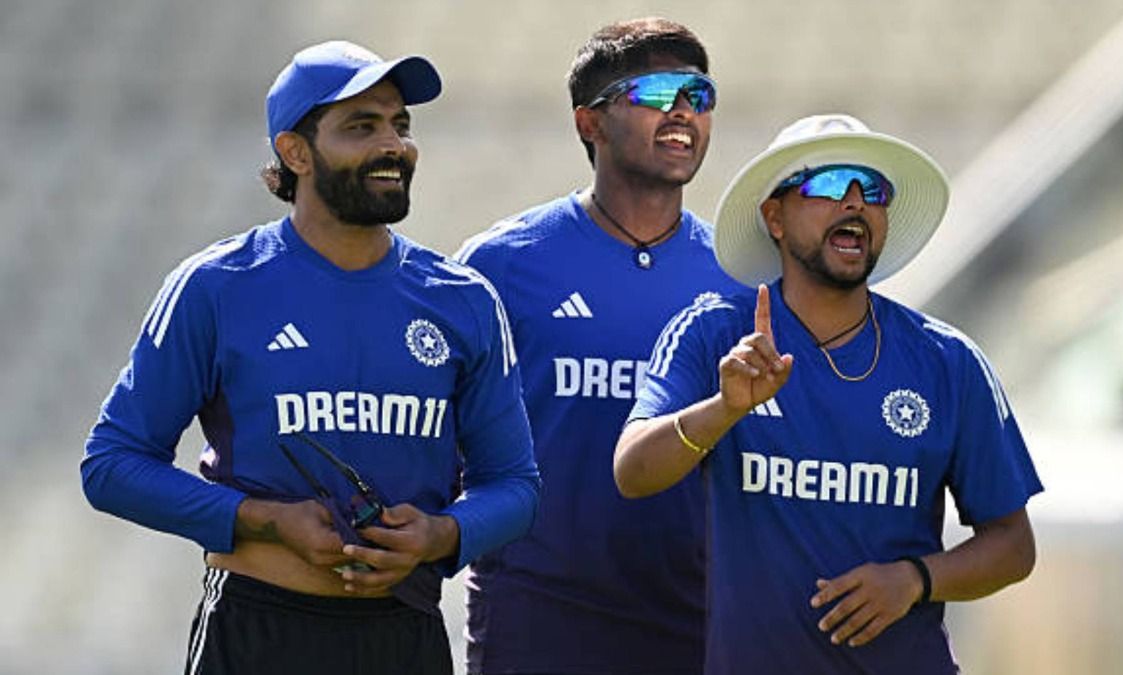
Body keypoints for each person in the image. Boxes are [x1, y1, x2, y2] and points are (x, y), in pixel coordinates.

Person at [80, 40, 540, 675]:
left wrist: (442, 535)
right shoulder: (216, 286)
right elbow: (111, 465)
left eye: (400, 125)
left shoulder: (461, 301)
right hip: (257, 628)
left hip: (404, 633)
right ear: (295, 152)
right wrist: (263, 520)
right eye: (361, 126)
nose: (393, 145)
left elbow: (515, 485)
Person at [614, 114, 1042, 674]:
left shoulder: (948, 361)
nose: (857, 203)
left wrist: (916, 579)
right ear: (775, 217)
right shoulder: (715, 333)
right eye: (830, 185)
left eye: (874, 191)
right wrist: (725, 410)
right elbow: (632, 470)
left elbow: (1013, 545)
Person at [453, 17, 742, 675]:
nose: (681, 113)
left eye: (698, 95)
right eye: (656, 92)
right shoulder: (500, 265)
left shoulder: (739, 276)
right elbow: (438, 449)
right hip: (537, 623)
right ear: (591, 123)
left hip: (700, 629)